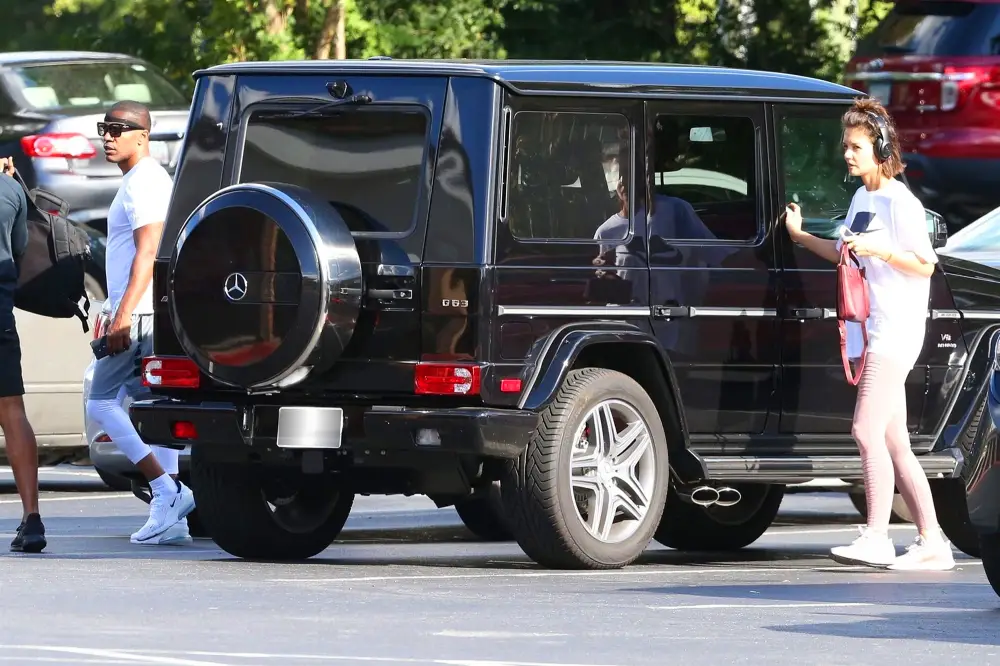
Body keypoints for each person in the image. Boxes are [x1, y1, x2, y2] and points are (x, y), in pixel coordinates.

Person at [784, 97, 954, 571]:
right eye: (845, 146)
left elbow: (924, 265)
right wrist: (800, 237)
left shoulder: (901, 202)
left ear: (880, 148)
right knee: (894, 438)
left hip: (895, 331)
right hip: (873, 328)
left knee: (864, 430)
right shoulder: (862, 199)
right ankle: (932, 540)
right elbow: (844, 253)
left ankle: (877, 535)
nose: (847, 153)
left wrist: (880, 251)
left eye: (855, 145)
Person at [85, 101, 195, 545]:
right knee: (152, 406)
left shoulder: (143, 183)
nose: (109, 136)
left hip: (143, 313)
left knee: (101, 401)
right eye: (104, 128)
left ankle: (167, 488)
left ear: (142, 136)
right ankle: (174, 516)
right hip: (144, 310)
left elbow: (149, 252)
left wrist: (124, 313)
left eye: (119, 129)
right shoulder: (140, 181)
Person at [0, 156, 46, 553]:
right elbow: (19, 249)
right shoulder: (10, 188)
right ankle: (32, 518)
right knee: (12, 410)